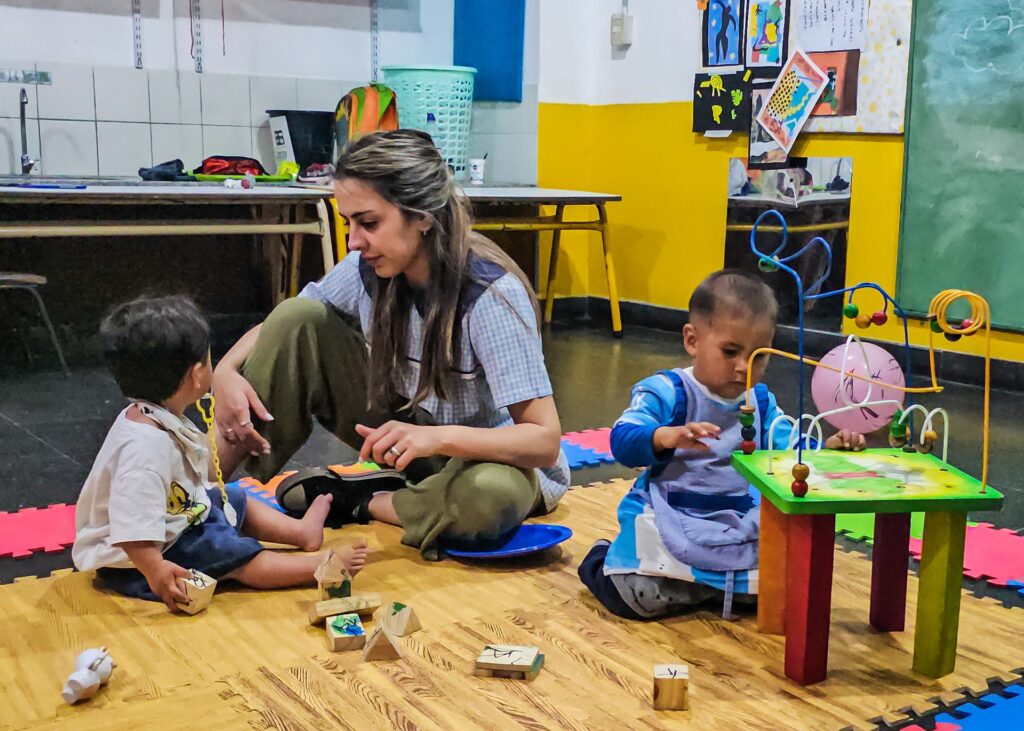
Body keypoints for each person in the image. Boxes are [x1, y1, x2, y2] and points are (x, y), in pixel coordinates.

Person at [211, 130, 569, 560]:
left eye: (369, 222)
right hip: (411, 441)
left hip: (487, 460)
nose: (353, 241)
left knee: (490, 498)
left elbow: (544, 441)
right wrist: (225, 372)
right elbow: (284, 325)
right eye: (348, 223)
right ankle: (201, 496)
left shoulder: (490, 294)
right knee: (296, 317)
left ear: (422, 216)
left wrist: (435, 440)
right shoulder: (368, 266)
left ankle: (365, 501)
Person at [578, 270, 864, 619]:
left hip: (735, 518)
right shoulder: (668, 391)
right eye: (730, 351)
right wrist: (663, 436)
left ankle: (705, 586)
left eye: (759, 356)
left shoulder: (759, 401)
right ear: (692, 340)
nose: (744, 367)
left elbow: (792, 452)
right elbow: (622, 440)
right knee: (638, 598)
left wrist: (829, 451)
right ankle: (601, 559)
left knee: (778, 592)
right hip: (671, 513)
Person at [72, 296, 367, 611]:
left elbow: (196, 470)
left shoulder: (153, 414)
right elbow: (131, 530)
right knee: (228, 552)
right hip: (136, 562)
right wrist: (156, 571)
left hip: (173, 522)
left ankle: (300, 533)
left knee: (233, 498)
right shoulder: (143, 453)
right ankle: (318, 565)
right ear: (197, 375)